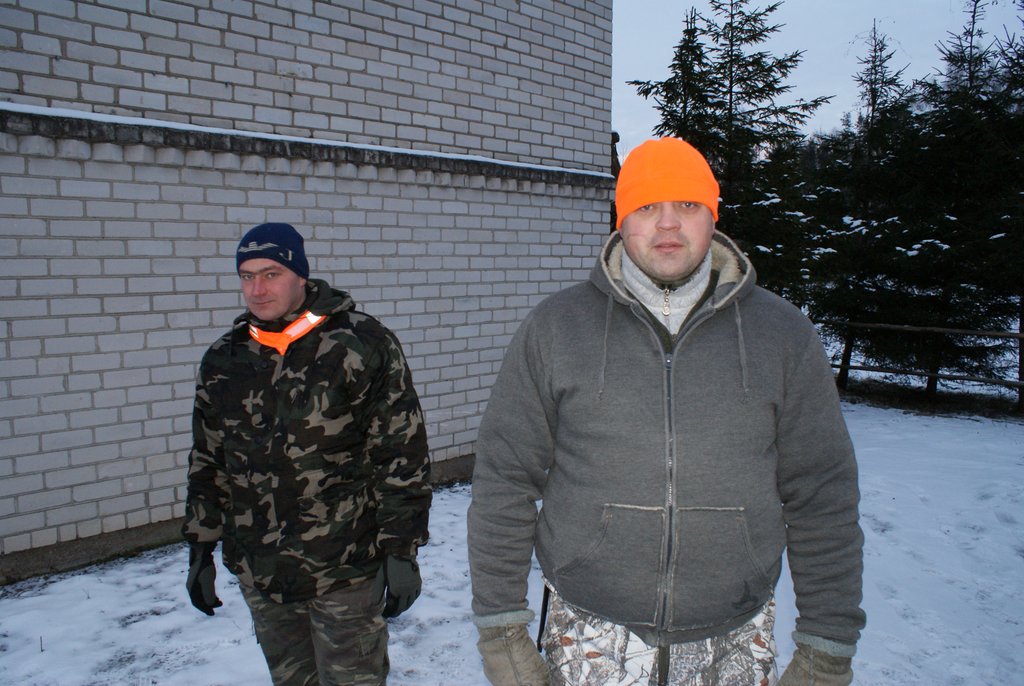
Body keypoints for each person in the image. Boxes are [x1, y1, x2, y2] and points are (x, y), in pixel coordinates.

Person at [467, 138, 865, 686]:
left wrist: (827, 646)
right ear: (622, 220)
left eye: (688, 204)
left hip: (734, 636)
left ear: (713, 217)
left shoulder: (782, 334)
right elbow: (504, 478)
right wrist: (501, 629)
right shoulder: (557, 328)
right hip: (588, 632)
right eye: (647, 206)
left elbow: (823, 492)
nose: (668, 223)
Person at [183, 222, 432, 686]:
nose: (257, 289)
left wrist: (402, 549)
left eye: (271, 274)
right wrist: (201, 545)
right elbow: (209, 458)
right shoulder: (225, 360)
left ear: (300, 274)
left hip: (345, 568)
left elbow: (401, 456)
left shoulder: (360, 344)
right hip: (262, 571)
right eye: (247, 276)